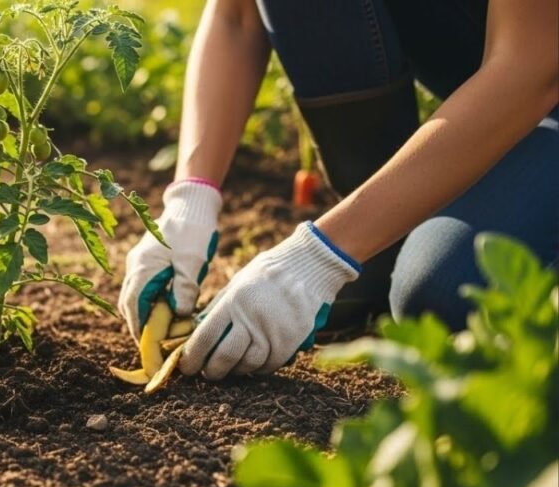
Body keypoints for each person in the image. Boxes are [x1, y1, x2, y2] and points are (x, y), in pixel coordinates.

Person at [118, 0, 558, 381]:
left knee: (446, 289)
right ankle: (381, 244)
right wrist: (190, 201)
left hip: (535, 64)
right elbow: (237, 16)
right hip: (498, 55)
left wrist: (320, 256)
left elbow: (533, 66)